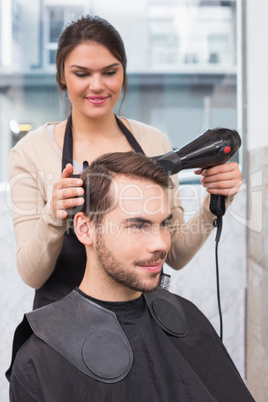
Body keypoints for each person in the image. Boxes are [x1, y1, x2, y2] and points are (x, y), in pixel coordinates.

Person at [8, 15, 242, 309]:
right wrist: (53, 215)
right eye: (81, 73)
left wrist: (216, 200)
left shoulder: (153, 142)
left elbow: (177, 255)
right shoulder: (30, 152)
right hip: (62, 325)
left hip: (142, 318)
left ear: (123, 74)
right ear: (61, 77)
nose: (97, 85)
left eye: (109, 72)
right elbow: (32, 275)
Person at [6, 152, 253, 402]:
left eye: (164, 224)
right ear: (85, 228)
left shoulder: (187, 317)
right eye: (138, 226)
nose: (160, 244)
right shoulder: (40, 358)